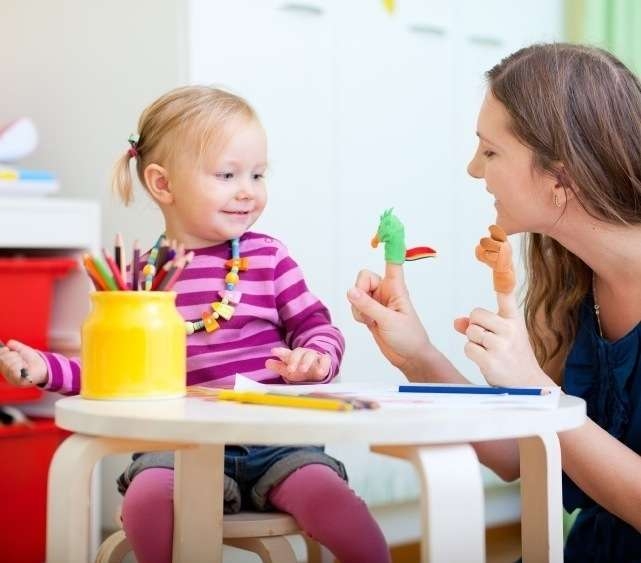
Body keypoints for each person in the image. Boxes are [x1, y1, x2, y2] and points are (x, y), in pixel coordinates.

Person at [0, 85, 390, 563]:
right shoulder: (139, 278)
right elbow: (111, 374)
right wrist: (44, 368)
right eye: (227, 175)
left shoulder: (268, 257)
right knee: (146, 503)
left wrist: (317, 358)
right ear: (163, 184)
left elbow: (316, 325)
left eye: (258, 174)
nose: (248, 189)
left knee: (339, 509)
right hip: (177, 446)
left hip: (278, 441)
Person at [347, 43, 641, 562]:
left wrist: (536, 386)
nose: (472, 170)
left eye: (490, 151)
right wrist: (418, 354)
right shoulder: (569, 282)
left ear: (561, 174)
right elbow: (517, 456)